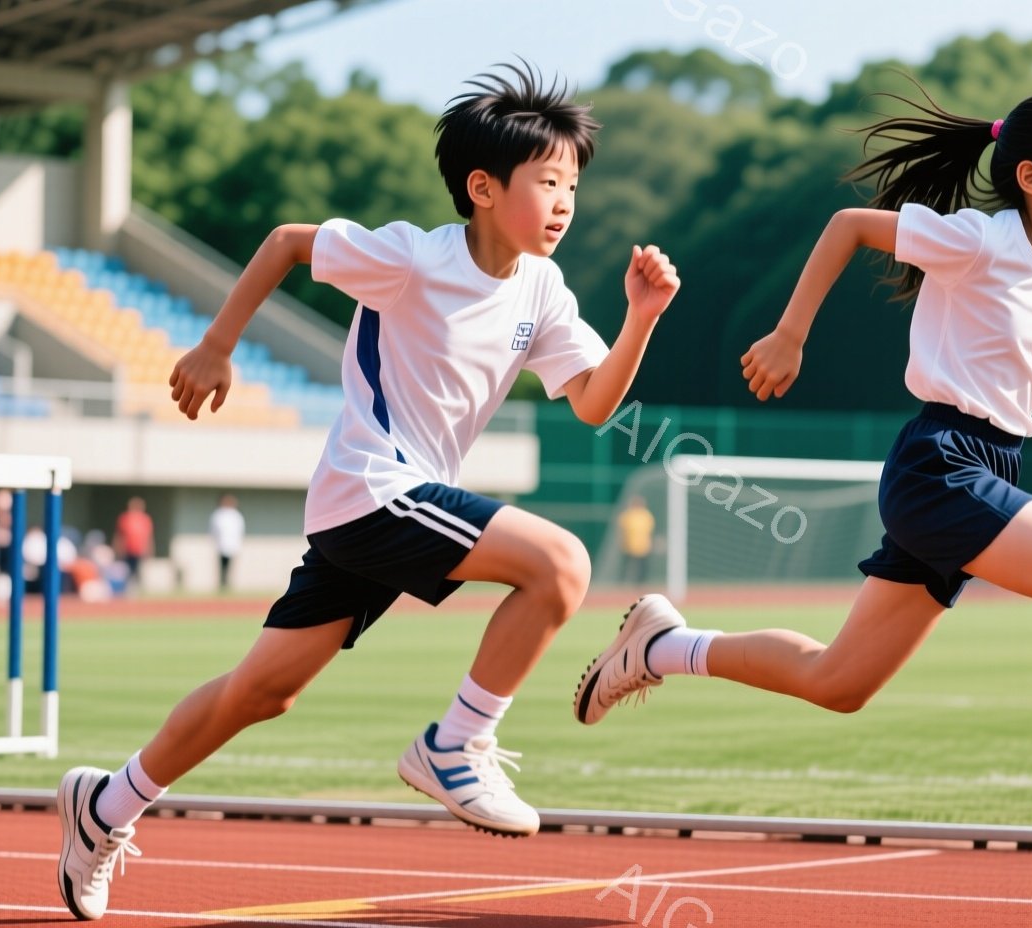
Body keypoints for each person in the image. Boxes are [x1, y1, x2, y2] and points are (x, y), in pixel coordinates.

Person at [572, 86, 1032, 901]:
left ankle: (661, 646)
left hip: (994, 467)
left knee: (840, 683)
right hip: (940, 463)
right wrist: (790, 334)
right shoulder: (982, 239)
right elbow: (849, 226)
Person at [54, 62, 679, 921]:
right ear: (483, 188)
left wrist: (641, 317)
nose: (566, 201)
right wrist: (215, 346)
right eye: (548, 182)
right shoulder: (413, 258)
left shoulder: (544, 289)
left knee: (261, 692)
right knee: (561, 565)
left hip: (387, 506)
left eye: (573, 183)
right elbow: (286, 241)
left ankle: (105, 805)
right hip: (373, 486)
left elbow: (594, 404)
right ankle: (456, 744)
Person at [113, 497, 154, 592]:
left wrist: (149, 550)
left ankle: (138, 590)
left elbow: (148, 537)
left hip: (139, 550)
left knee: (138, 571)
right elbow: (119, 535)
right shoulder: (125, 518)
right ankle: (126, 590)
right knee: (126, 571)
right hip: (127, 550)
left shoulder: (145, 519)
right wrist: (118, 549)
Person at [210, 494, 245, 591]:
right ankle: (222, 584)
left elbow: (239, 530)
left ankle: (227, 584)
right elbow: (214, 530)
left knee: (229, 566)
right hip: (221, 544)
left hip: (232, 545)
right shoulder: (218, 514)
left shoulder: (236, 515)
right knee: (222, 566)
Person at [616, 495, 655, 585]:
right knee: (626, 567)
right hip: (629, 546)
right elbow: (621, 531)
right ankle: (623, 582)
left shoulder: (646, 515)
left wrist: (651, 543)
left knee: (642, 567)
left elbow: (650, 532)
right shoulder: (627, 515)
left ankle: (641, 583)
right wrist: (621, 542)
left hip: (643, 546)